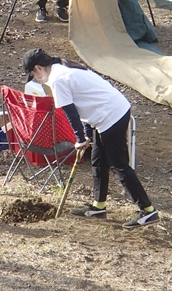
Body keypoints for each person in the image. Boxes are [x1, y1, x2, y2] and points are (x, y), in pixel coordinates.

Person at [22, 48, 160, 229]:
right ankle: (98, 206)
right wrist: (86, 133)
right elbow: (83, 104)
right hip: (109, 113)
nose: (36, 79)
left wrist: (79, 139)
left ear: (38, 68)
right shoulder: (64, 67)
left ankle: (148, 211)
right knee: (98, 161)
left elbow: (70, 111)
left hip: (111, 115)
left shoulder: (57, 79)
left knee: (119, 165)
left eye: (33, 75)